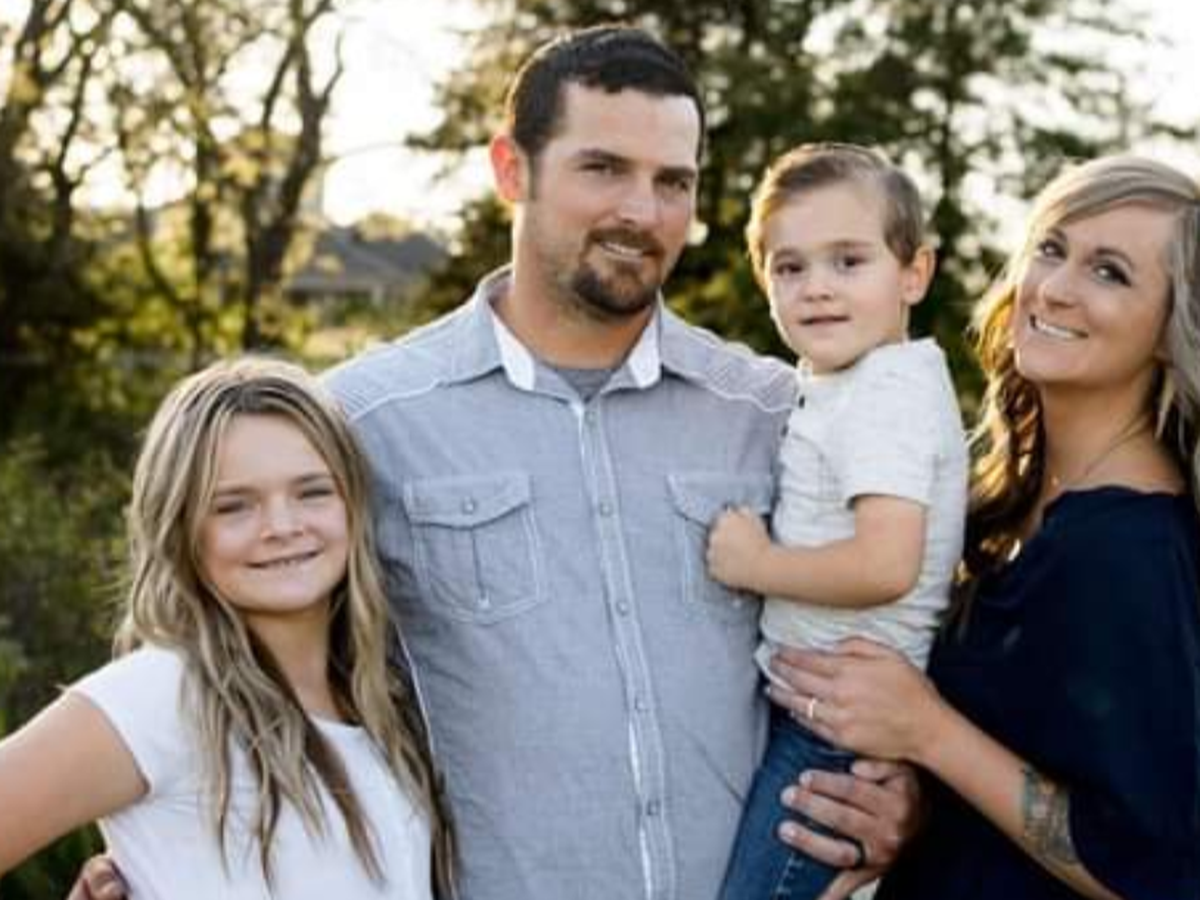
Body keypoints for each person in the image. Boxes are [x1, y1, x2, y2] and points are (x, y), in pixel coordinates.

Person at [69, 24, 920, 900]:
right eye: (603, 168)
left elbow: (911, 622)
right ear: (512, 169)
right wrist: (160, 859)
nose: (643, 211)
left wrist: (910, 795)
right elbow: (230, 654)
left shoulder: (777, 410)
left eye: (674, 181)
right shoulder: (362, 419)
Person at [774, 154, 1200, 899]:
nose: (1056, 288)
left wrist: (928, 729)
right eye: (1051, 249)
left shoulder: (1128, 549)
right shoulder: (1010, 506)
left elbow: (1154, 869)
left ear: (1171, 329)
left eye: (1110, 273)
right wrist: (910, 805)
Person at [0, 358, 455, 898]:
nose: (282, 526)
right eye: (234, 506)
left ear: (353, 504)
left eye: (312, 492)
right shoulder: (163, 695)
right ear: (181, 528)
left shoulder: (382, 701)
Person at [707, 143, 967, 900]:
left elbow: (886, 564)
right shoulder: (854, 383)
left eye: (848, 261)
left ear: (914, 273)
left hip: (837, 730)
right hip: (820, 713)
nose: (817, 287)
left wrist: (754, 564)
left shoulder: (885, 393)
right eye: (790, 267)